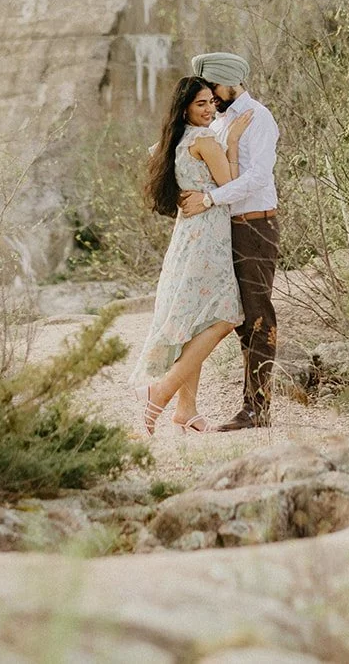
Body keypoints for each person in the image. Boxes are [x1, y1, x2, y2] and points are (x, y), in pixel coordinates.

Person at [132, 76, 254, 434]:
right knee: (226, 316)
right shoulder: (204, 140)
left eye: (211, 103)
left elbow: (156, 155)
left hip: (187, 236)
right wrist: (230, 143)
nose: (209, 109)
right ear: (185, 106)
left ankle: (187, 410)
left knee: (193, 322)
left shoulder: (172, 141)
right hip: (207, 241)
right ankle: (163, 389)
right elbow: (231, 184)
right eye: (200, 103)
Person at [179, 52, 280, 431]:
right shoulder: (218, 124)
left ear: (228, 82)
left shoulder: (260, 119)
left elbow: (256, 178)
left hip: (255, 228)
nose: (210, 97)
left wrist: (207, 199)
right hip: (224, 231)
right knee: (225, 316)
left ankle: (257, 410)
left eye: (213, 89)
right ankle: (189, 407)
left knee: (257, 315)